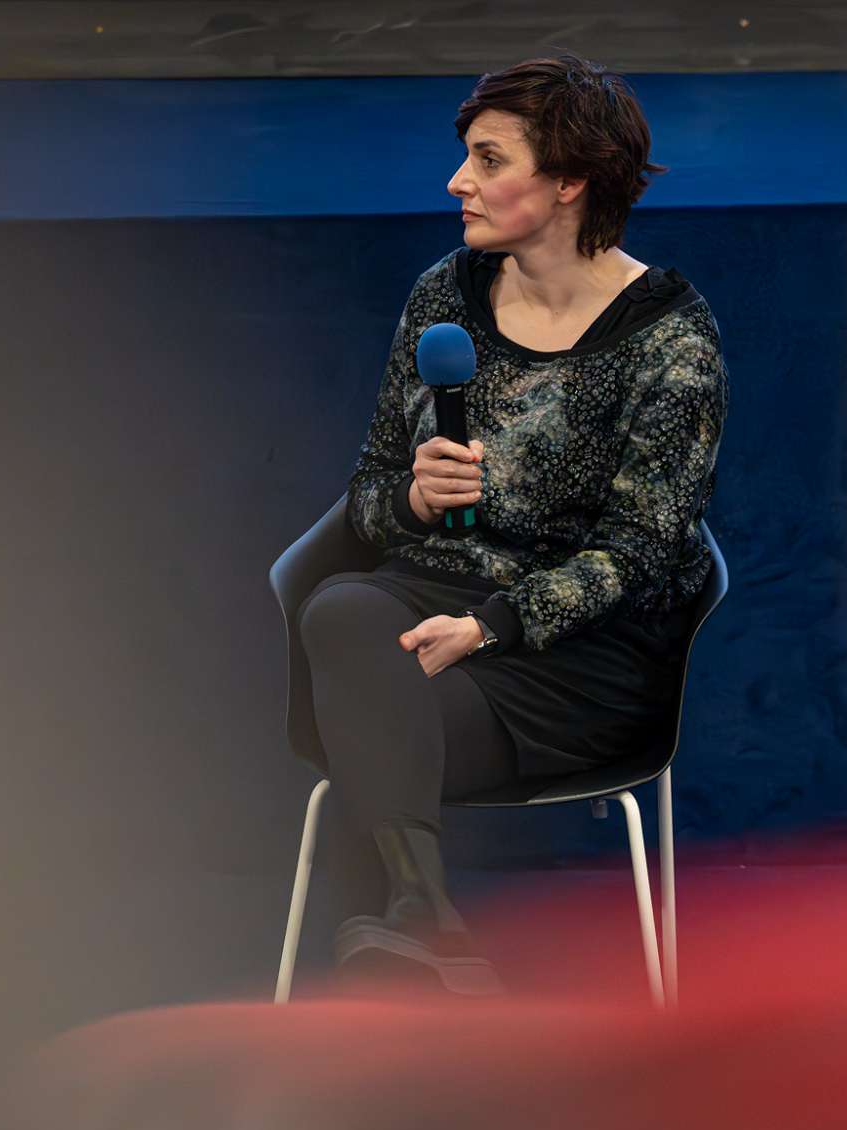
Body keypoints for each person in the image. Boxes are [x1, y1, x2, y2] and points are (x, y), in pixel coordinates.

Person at [297, 54, 728, 994]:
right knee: (340, 611)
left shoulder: (671, 341)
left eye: (489, 160)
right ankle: (427, 920)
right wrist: (412, 497)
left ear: (570, 181)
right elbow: (368, 491)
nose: (458, 181)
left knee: (373, 717)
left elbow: (643, 555)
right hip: (422, 610)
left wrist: (492, 626)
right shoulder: (442, 297)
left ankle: (401, 961)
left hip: (574, 659)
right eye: (466, 156)